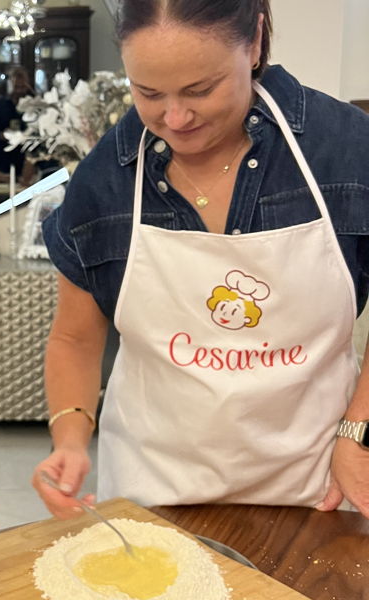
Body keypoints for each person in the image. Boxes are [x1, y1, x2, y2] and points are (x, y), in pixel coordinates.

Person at [32, 0, 369, 520]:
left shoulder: (344, 150)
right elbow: (74, 339)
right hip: (156, 492)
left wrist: (357, 432)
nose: (175, 118)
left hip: (316, 487)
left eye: (200, 89)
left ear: (254, 42)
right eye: (148, 93)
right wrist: (70, 438)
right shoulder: (106, 180)